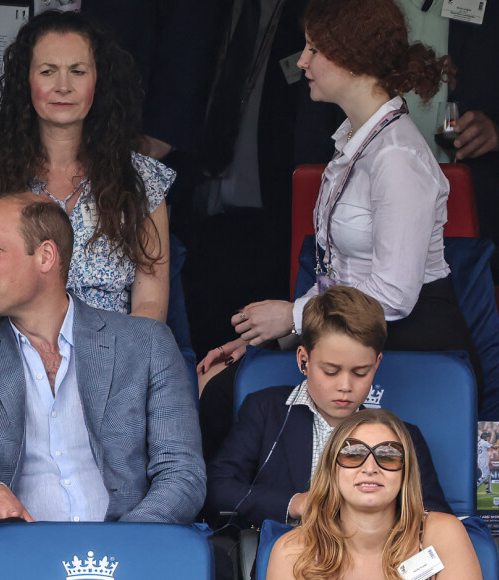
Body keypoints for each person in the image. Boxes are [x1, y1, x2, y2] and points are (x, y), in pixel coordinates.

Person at [198, 0, 482, 457]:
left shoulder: (397, 157)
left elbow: (392, 294)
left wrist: (292, 317)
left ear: (351, 57)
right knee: (217, 383)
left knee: (221, 397)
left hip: (409, 343)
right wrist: (267, 337)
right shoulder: (355, 140)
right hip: (349, 332)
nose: (303, 61)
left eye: (314, 49)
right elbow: (341, 280)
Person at [0, 195, 205, 569]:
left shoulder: (147, 343)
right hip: (22, 559)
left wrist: (121, 544)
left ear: (46, 257)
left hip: (133, 557)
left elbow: (182, 473)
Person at [0, 10, 172, 325]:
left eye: (78, 71)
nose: (63, 86)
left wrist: (107, 367)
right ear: (26, 80)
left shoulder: (142, 178)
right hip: (14, 366)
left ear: (99, 80)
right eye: (48, 71)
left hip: (116, 365)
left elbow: (150, 306)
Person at [204, 286, 451, 530]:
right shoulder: (266, 411)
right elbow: (218, 488)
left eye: (360, 372)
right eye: (330, 371)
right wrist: (295, 503)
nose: (345, 386)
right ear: (304, 360)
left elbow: (436, 519)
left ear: (376, 365)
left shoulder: (403, 437)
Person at [266, 409, 482, 579]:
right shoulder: (292, 552)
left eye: (388, 455)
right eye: (353, 454)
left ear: (405, 471)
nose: (370, 468)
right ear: (332, 469)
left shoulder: (442, 534)